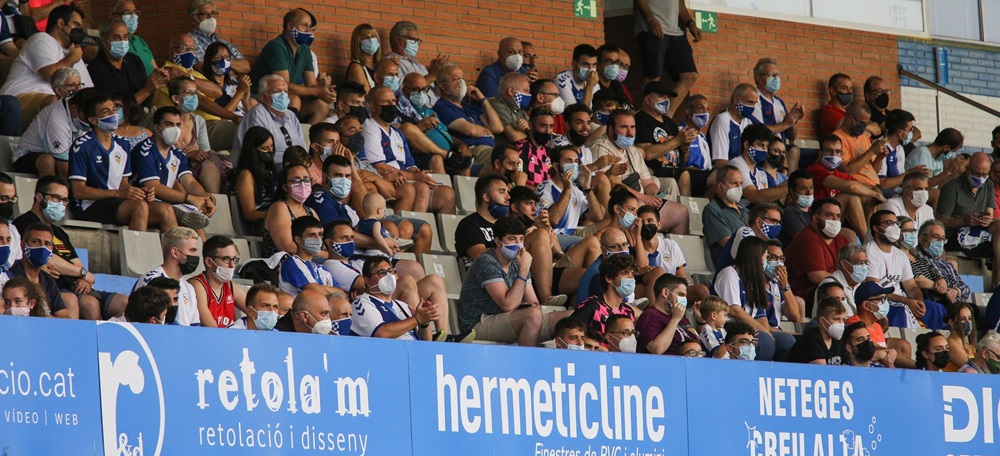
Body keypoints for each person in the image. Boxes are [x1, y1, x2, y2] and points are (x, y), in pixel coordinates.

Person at [13, 176, 126, 320]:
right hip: (57, 288)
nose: (61, 204)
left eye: (64, 200)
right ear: (39, 197)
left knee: (123, 302)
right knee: (90, 303)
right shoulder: (24, 223)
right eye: (56, 198)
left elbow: (78, 263)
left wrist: (83, 278)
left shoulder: (59, 232)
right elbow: (48, 259)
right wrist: (82, 273)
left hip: (77, 287)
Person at [69, 93, 177, 231]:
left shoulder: (123, 145)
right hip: (89, 205)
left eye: (114, 109)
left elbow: (123, 185)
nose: (113, 114)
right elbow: (79, 192)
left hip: (116, 202)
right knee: (139, 206)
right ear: (93, 120)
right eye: (105, 111)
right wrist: (118, 194)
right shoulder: (82, 146)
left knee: (166, 210)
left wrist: (140, 192)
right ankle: (137, 252)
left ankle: (175, 252)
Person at [457, 217, 570, 346]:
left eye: (521, 239)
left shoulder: (518, 262)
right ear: (498, 242)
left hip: (507, 319)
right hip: (479, 323)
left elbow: (534, 302)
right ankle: (527, 363)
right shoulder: (487, 262)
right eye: (512, 239)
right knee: (532, 316)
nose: (518, 244)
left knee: (570, 318)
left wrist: (529, 304)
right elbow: (508, 305)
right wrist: (523, 270)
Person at [362, 86, 456, 214]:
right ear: (373, 107)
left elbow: (410, 165)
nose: (392, 105)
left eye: (393, 101)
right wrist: (415, 176)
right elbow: (379, 167)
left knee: (447, 194)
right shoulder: (369, 127)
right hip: (389, 180)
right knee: (422, 187)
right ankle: (414, 228)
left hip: (406, 178)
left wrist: (420, 173)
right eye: (386, 102)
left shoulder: (397, 133)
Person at [1, 5, 90, 131]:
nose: (79, 31)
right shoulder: (41, 39)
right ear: (60, 23)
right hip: (19, 98)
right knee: (56, 103)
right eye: (76, 25)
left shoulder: (73, 53)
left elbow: (87, 90)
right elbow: (51, 74)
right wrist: (72, 58)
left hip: (53, 102)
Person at [131, 106, 216, 230]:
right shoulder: (145, 151)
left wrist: (205, 199)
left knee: (196, 215)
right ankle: (174, 248)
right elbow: (154, 186)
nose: (174, 129)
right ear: (156, 128)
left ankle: (202, 247)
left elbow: (190, 182)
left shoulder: (178, 154)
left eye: (177, 125)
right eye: (168, 124)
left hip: (165, 201)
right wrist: (189, 198)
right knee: (168, 210)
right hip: (141, 202)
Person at [714, 236, 795, 361]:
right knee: (764, 341)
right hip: (732, 327)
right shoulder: (730, 273)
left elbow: (761, 315)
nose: (766, 261)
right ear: (755, 256)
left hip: (751, 329)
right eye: (765, 256)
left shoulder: (754, 280)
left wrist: (766, 331)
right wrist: (766, 333)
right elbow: (734, 310)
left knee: (787, 341)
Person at [249, 9, 333, 124]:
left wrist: (324, 91)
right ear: (290, 26)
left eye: (310, 27)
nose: (308, 31)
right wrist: (318, 92)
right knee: (294, 99)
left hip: (284, 98)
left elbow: (312, 85)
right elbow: (285, 85)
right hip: (262, 97)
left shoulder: (304, 49)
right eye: (304, 26)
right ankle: (289, 135)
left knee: (321, 105)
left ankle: (306, 140)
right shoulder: (276, 46)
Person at [866, 209, 947, 329]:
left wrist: (919, 301)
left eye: (896, 224)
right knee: (901, 310)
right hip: (883, 302)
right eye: (889, 223)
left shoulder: (900, 255)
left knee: (936, 308)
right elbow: (875, 290)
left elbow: (912, 286)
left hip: (904, 301)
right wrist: (907, 301)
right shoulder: (868, 251)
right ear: (876, 228)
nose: (895, 227)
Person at [937, 152, 1000, 287]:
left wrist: (986, 220)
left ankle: (997, 280)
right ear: (968, 169)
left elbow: (989, 213)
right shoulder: (952, 187)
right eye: (977, 174)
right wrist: (964, 220)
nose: (980, 178)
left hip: (980, 230)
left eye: (984, 175)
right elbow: (941, 221)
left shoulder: (987, 185)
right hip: (956, 234)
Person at [13, 69, 86, 178]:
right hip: (30, 155)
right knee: (47, 160)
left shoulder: (79, 108)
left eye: (79, 84)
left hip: (61, 155)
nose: (77, 89)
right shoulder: (55, 113)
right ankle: (49, 191)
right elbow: (63, 170)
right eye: (71, 85)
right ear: (58, 90)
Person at [634, 0, 700, 116]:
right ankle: (646, 117)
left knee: (690, 75)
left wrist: (690, 23)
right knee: (653, 77)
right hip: (651, 28)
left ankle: (667, 117)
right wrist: (650, 19)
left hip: (675, 31)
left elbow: (680, 3)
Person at [351, 256, 440, 341]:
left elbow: (426, 341)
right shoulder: (361, 303)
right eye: (382, 273)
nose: (389, 276)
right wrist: (417, 319)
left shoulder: (402, 305)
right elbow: (381, 334)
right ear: (367, 280)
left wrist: (424, 323)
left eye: (390, 271)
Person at [804, 134, 876, 239]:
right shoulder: (815, 170)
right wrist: (875, 193)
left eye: (838, 152)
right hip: (819, 217)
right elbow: (851, 187)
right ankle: (867, 240)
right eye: (829, 151)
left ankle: (872, 234)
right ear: (820, 154)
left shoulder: (840, 175)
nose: (834, 155)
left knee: (869, 197)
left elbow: (865, 187)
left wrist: (875, 193)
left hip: (835, 219)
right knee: (851, 197)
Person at [786, 198, 851, 312]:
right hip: (807, 296)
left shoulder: (841, 240)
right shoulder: (807, 238)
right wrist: (849, 283)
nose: (835, 220)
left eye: (838, 216)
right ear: (815, 218)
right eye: (829, 215)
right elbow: (817, 277)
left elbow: (852, 269)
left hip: (838, 290)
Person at [433, 63, 503, 167]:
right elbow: (470, 130)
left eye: (462, 78)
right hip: (472, 150)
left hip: (488, 149)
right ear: (443, 86)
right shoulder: (442, 106)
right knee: (503, 159)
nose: (461, 82)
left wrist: (483, 100)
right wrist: (487, 131)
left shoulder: (468, 106)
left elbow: (498, 128)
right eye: (456, 79)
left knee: (512, 158)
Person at [231, 74, 305, 166]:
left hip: (292, 168)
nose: (283, 95)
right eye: (277, 92)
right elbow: (262, 153)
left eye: (285, 92)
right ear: (263, 98)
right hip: (265, 167)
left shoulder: (291, 115)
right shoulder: (258, 113)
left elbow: (302, 148)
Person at [87, 18, 166, 105]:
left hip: (142, 114)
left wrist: (155, 84)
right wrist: (146, 90)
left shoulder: (134, 60)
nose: (122, 42)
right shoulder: (96, 69)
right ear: (104, 41)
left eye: (125, 37)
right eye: (116, 37)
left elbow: (149, 103)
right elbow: (116, 109)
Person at [133, 227, 201, 326]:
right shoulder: (151, 280)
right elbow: (143, 321)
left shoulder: (189, 288)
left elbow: (195, 326)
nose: (196, 255)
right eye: (192, 250)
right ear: (175, 252)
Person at [634, 81, 698, 185]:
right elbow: (647, 153)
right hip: (654, 173)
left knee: (703, 176)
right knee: (678, 179)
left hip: (676, 172)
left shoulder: (669, 122)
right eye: (661, 96)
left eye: (667, 97)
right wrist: (677, 140)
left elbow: (683, 160)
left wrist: (684, 148)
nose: (666, 100)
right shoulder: (640, 119)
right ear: (648, 100)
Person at [748, 58, 804, 170]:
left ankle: (791, 184)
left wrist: (793, 120)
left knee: (794, 150)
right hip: (765, 148)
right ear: (759, 78)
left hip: (781, 148)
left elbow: (792, 136)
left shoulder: (780, 102)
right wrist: (785, 124)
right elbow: (759, 132)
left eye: (778, 75)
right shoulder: (754, 100)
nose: (776, 78)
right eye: (771, 75)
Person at [571, 253, 638, 337]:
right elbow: (571, 333)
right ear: (609, 278)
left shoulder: (628, 311)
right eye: (625, 273)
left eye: (633, 274)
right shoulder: (592, 305)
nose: (631, 278)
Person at [9, 224, 66, 318]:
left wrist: (46, 318)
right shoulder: (12, 275)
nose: (42, 247)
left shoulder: (47, 279)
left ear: (52, 249)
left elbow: (65, 317)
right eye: (36, 242)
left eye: (47, 244)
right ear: (23, 245)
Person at [188, 235, 245, 328]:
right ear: (209, 262)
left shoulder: (231, 287)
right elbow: (212, 329)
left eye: (234, 259)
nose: (232, 265)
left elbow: (254, 311)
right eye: (226, 259)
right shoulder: (197, 285)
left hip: (226, 339)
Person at [386, 21, 449, 104]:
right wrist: (432, 75)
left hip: (436, 109)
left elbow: (437, 94)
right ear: (398, 40)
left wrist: (438, 80)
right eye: (412, 39)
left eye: (417, 40)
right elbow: (401, 90)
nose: (416, 44)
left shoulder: (420, 66)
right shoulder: (390, 63)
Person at [635, 273, 699, 355]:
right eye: (680, 295)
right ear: (665, 293)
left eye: (685, 296)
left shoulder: (680, 317)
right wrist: (675, 320)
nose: (684, 299)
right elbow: (657, 349)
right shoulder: (650, 315)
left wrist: (701, 321)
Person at [845, 281, 905, 367]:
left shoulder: (877, 326)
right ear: (866, 305)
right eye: (880, 299)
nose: (885, 303)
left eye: (885, 299)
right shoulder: (854, 324)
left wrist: (891, 352)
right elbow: (871, 349)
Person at [913, 220, 970, 306]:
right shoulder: (917, 258)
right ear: (922, 239)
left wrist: (956, 290)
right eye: (936, 237)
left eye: (943, 239)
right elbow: (925, 283)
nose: (940, 242)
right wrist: (947, 290)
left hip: (956, 306)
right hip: (937, 304)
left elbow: (965, 288)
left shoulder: (945, 264)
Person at [715, 202, 782, 273]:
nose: (777, 225)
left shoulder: (766, 243)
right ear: (759, 221)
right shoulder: (745, 233)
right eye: (773, 221)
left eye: (778, 222)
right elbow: (751, 267)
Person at [234, 127, 277, 235]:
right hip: (261, 223)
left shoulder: (271, 171)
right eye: (265, 148)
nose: (270, 151)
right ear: (253, 150)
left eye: (271, 146)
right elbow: (249, 214)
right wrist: (276, 215)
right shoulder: (246, 175)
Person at [278, 216, 337, 295]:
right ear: (298, 239)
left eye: (320, 234)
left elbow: (342, 293)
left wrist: (320, 287)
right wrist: (325, 289)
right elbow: (316, 292)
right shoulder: (292, 264)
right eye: (312, 235)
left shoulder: (322, 268)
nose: (318, 238)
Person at [188, 0, 249, 74]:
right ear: (194, 20)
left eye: (213, 14)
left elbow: (246, 67)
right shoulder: (189, 41)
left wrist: (220, 62)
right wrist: (234, 70)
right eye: (205, 14)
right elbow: (207, 70)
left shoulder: (223, 42)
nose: (210, 18)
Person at [702, 165, 748, 263]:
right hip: (731, 266)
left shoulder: (745, 211)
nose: (739, 188)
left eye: (741, 184)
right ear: (720, 186)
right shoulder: (713, 210)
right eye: (734, 183)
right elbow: (729, 245)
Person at [201, 42, 253, 122]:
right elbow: (222, 118)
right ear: (209, 60)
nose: (223, 61)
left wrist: (246, 102)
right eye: (218, 57)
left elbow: (251, 118)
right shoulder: (208, 88)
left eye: (226, 57)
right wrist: (239, 93)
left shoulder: (235, 85)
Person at [788, 297, 848, 365]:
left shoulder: (839, 339)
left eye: (843, 320)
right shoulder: (811, 339)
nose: (841, 323)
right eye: (836, 319)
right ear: (822, 320)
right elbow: (821, 372)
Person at [814, 244, 867, 319]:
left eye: (865, 262)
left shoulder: (859, 285)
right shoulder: (830, 284)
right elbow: (834, 317)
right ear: (844, 263)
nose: (864, 267)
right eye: (859, 262)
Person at [708, 84, 755, 168]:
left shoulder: (748, 121)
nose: (752, 107)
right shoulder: (722, 120)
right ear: (736, 100)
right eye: (750, 102)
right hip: (724, 174)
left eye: (755, 103)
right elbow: (721, 163)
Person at [109, 0, 156, 75]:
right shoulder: (115, 43)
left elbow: (154, 67)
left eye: (135, 12)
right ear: (114, 16)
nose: (133, 16)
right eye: (128, 13)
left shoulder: (140, 41)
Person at [555, 44, 599, 108]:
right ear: (574, 65)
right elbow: (579, 114)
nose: (591, 69)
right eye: (586, 65)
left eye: (594, 65)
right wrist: (589, 87)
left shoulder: (593, 81)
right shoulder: (562, 80)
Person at [592, 44, 634, 110]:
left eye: (617, 62)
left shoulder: (617, 86)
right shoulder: (592, 85)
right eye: (609, 62)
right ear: (598, 65)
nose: (614, 66)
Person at [345, 23, 382, 92]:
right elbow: (366, 96)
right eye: (366, 37)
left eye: (373, 36)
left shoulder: (379, 66)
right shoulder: (356, 67)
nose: (371, 40)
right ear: (358, 42)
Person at [781, 170, 814, 245]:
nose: (809, 193)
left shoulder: (813, 213)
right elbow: (803, 239)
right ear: (792, 192)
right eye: (803, 189)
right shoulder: (789, 212)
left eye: (811, 188)